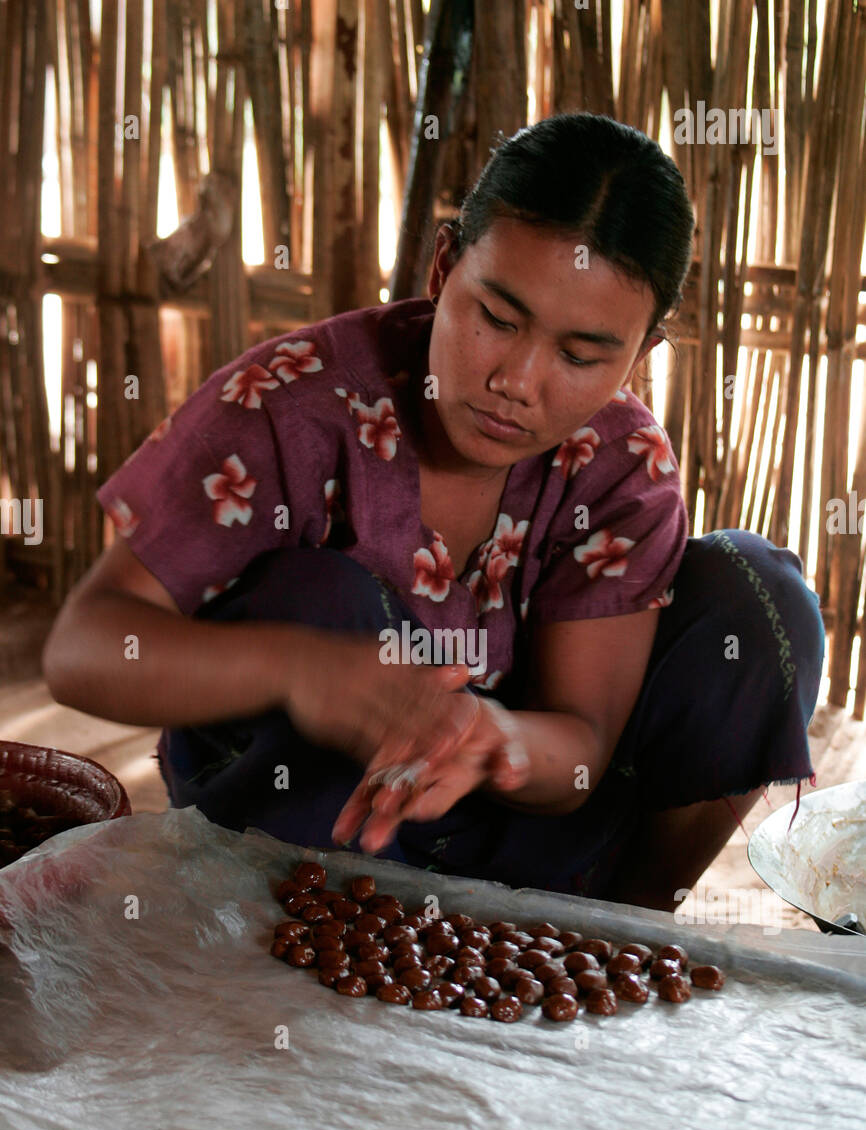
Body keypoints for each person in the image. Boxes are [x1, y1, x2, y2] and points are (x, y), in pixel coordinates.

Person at [42, 112, 825, 911]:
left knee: (760, 601)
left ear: (642, 352)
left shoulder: (619, 463)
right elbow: (84, 648)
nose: (518, 381)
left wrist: (499, 743)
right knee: (319, 599)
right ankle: (303, 930)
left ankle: (623, 933)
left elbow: (580, 744)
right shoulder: (295, 406)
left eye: (582, 356)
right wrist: (301, 669)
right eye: (495, 318)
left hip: (538, 856)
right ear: (444, 264)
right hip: (305, 841)